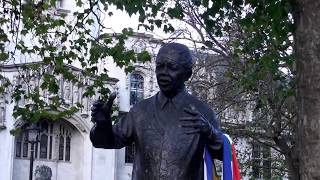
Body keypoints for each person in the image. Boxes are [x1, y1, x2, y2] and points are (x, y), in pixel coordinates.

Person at [90, 43, 223, 180]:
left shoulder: (202, 112)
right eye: (159, 66)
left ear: (187, 74)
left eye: (172, 68)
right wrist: (103, 125)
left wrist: (210, 133)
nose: (163, 73)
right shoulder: (140, 111)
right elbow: (105, 141)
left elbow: (225, 155)